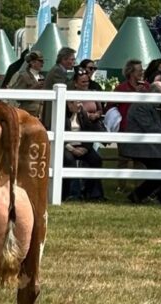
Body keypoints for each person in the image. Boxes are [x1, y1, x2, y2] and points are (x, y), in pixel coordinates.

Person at [119, 81, 161, 205]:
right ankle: (137, 195)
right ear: (154, 93)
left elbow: (156, 127)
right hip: (140, 146)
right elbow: (149, 128)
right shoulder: (141, 106)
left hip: (152, 145)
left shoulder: (153, 106)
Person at [62, 67, 106, 202]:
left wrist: (86, 147)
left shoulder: (82, 112)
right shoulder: (62, 114)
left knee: (96, 159)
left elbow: (88, 129)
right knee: (68, 160)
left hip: (82, 145)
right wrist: (72, 149)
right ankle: (68, 194)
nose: (77, 104)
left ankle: (91, 193)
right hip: (67, 146)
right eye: (73, 102)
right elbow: (61, 137)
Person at [42, 47, 76, 129]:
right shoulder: (58, 71)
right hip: (53, 110)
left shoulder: (59, 70)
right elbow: (65, 87)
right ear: (64, 59)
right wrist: (75, 78)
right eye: (72, 59)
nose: (74, 62)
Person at [8, 50, 45, 118]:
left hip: (39, 114)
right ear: (32, 62)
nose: (43, 63)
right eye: (40, 61)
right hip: (27, 114)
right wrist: (34, 87)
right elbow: (17, 96)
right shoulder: (24, 76)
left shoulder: (41, 77)